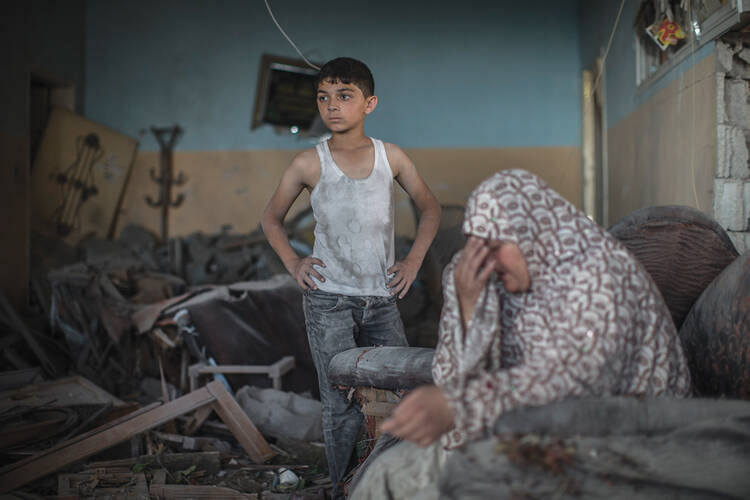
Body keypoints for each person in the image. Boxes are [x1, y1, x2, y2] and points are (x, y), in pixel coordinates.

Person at [350, 169, 691, 499]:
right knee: (384, 476)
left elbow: (572, 384)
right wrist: (468, 313)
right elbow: (453, 380)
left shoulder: (600, 276)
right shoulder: (482, 273)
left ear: (535, 233)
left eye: (497, 245)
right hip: (524, 433)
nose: (488, 261)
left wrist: (460, 405)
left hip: (619, 447)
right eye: (478, 246)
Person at [261, 57, 441, 497]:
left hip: (380, 300)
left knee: (400, 394)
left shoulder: (390, 156)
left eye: (345, 96)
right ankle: (346, 488)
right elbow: (270, 219)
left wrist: (413, 262)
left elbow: (430, 208)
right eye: (324, 97)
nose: (333, 106)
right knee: (341, 403)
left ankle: (398, 483)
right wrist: (294, 264)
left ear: (369, 103)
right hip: (327, 302)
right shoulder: (309, 162)